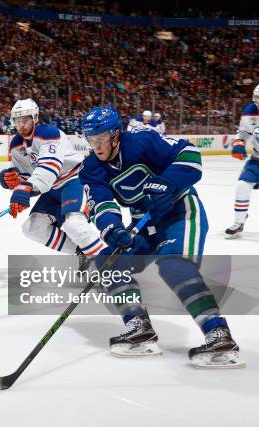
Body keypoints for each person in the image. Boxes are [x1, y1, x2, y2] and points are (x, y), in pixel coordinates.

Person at [79, 106, 243, 368]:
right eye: (91, 140)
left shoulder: (143, 140)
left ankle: (218, 334)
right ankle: (138, 326)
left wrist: (167, 182)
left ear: (116, 134)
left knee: (173, 263)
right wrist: (113, 228)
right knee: (108, 262)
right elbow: (101, 204)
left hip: (180, 212)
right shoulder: (91, 168)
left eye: (101, 139)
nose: (96, 146)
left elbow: (190, 155)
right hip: (143, 222)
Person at [0, 99, 105, 266]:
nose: (21, 125)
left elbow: (48, 170)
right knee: (32, 228)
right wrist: (10, 178)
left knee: (74, 224)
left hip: (75, 180)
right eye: (17, 121)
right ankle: (81, 251)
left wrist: (25, 188)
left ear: (35, 117)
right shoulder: (16, 144)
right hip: (53, 188)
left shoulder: (49, 133)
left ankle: (109, 266)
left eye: (25, 120)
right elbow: (25, 175)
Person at [225, 85, 259, 237]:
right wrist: (239, 143)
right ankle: (239, 221)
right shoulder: (250, 110)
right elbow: (244, 132)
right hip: (257, 158)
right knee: (242, 185)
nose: (258, 100)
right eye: (257, 96)